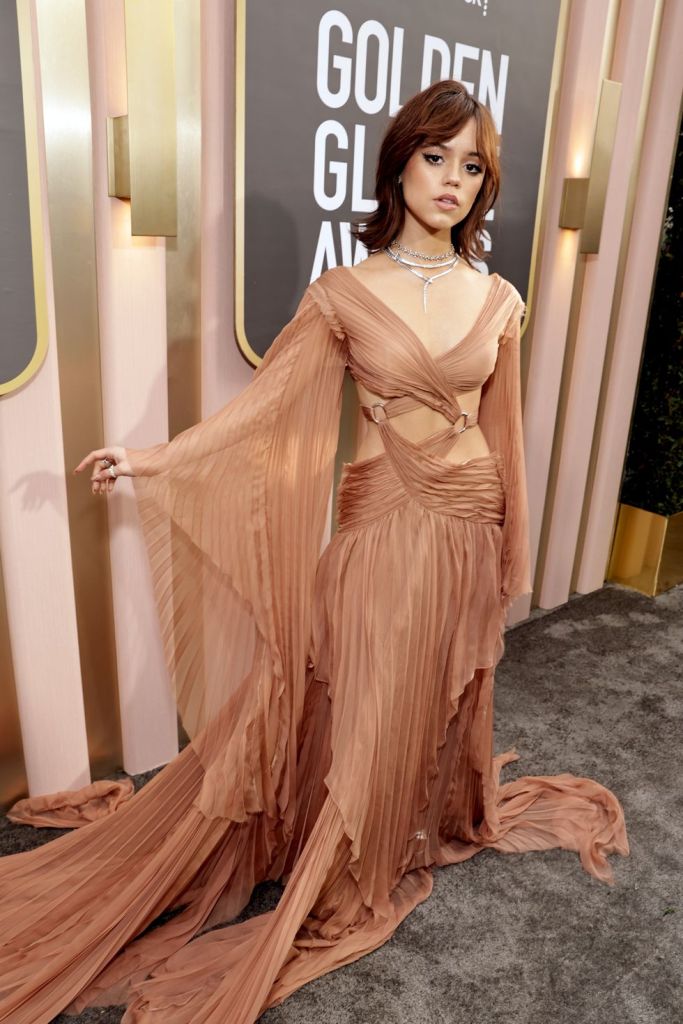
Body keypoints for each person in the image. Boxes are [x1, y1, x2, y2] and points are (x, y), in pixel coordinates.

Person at [0, 79, 629, 1024]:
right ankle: (341, 854)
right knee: (363, 701)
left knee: (428, 696)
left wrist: (510, 551)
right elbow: (260, 416)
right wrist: (153, 459)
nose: (452, 180)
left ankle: (403, 823)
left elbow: (506, 438)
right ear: (399, 163)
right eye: (434, 157)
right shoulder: (343, 293)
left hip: (469, 521)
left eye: (471, 166)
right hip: (381, 524)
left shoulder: (499, 299)